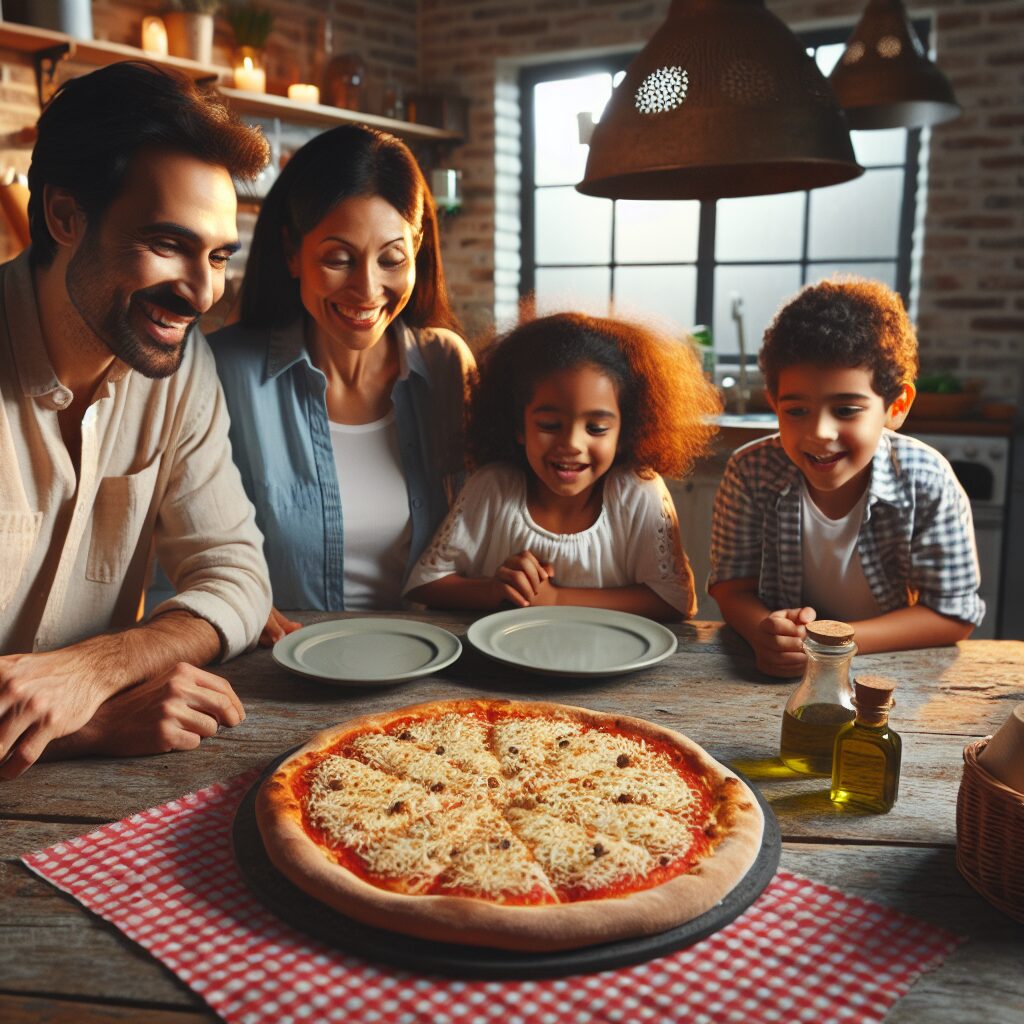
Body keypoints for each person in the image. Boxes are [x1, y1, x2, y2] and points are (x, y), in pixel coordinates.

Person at [0, 61, 273, 778]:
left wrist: (101, 666)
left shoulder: (181, 367)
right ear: (63, 217)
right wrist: (87, 727)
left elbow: (237, 575)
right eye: (168, 244)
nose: (202, 293)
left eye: (217, 256)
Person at [209, 124, 474, 644]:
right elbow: (180, 561)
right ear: (292, 252)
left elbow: (492, 525)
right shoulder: (224, 371)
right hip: (276, 683)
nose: (367, 289)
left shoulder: (446, 367)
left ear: (417, 250)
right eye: (338, 258)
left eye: (391, 259)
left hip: (432, 677)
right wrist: (216, 610)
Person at [709, 277, 984, 677]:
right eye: (797, 411)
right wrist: (762, 633)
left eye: (847, 410)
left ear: (896, 406)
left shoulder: (927, 479)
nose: (820, 432)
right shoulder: (749, 471)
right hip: (775, 677)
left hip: (886, 673)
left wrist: (829, 643)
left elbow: (953, 614)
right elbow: (732, 586)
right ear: (773, 403)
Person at [404, 312, 721, 620]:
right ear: (518, 425)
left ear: (625, 433)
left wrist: (556, 599)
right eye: (550, 424)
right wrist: (493, 590)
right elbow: (424, 584)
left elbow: (677, 600)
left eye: (596, 428)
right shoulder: (492, 488)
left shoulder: (638, 492)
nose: (571, 443)